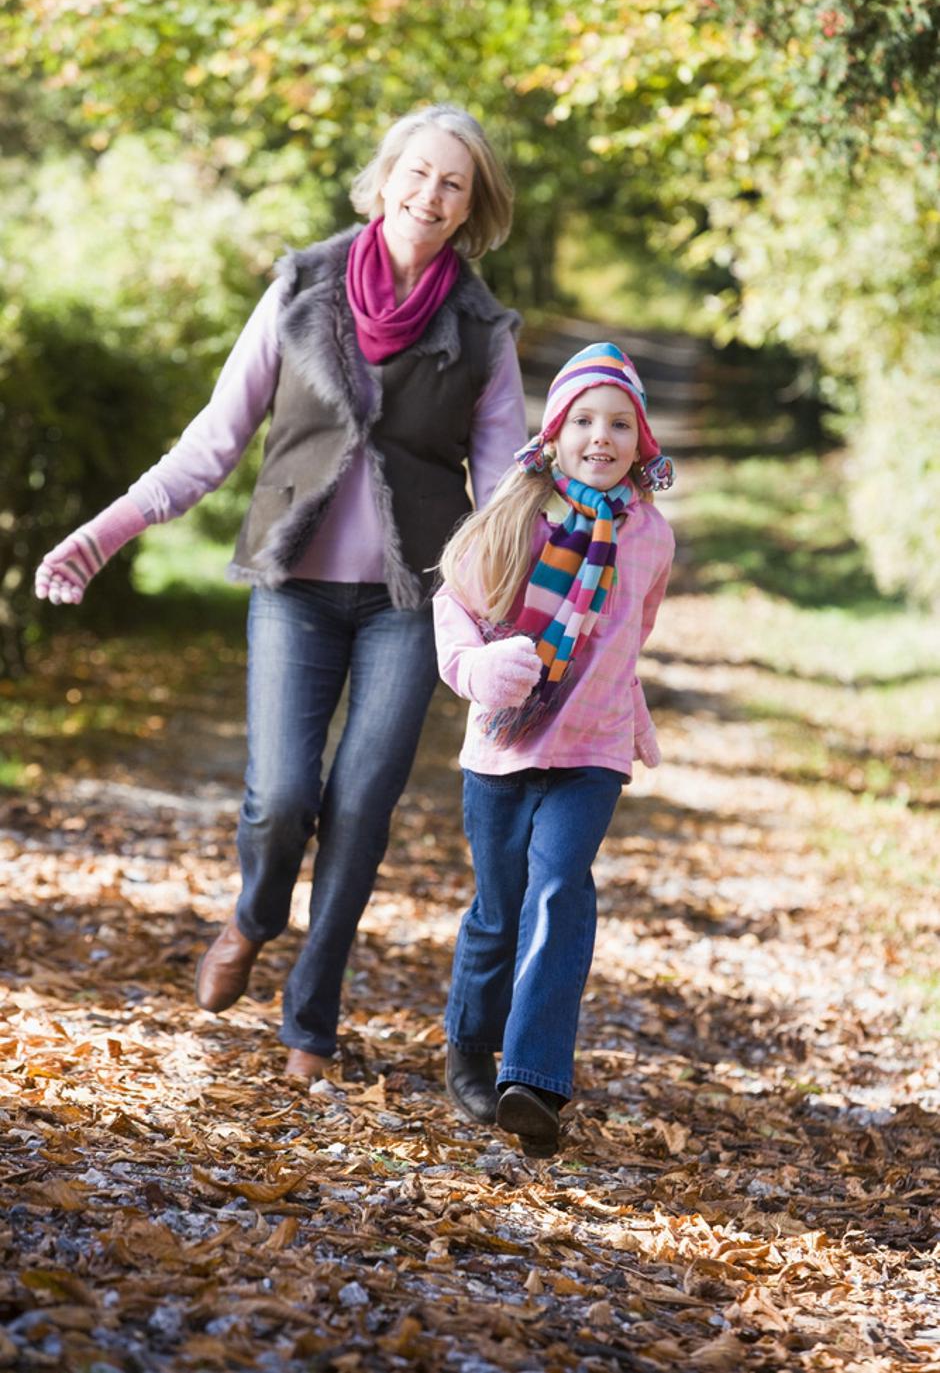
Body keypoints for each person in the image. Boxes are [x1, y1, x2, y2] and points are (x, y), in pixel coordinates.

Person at [34, 104, 526, 1081]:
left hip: (409, 600)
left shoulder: (481, 331)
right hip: (293, 586)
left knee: (360, 802)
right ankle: (254, 915)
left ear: (472, 208)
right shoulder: (302, 287)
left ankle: (311, 1018)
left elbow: (506, 488)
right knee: (282, 795)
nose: (429, 195)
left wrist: (590, 522)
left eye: (452, 184)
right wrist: (104, 532)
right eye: (417, 173)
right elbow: (214, 440)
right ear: (384, 177)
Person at [432, 342, 675, 1156]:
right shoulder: (516, 516)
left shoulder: (650, 537)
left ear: (642, 440)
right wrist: (474, 668)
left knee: (560, 891)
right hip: (502, 749)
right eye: (583, 421)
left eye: (619, 423)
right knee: (500, 908)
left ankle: (531, 1079)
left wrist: (629, 713)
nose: (600, 437)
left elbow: (629, 639)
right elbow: (453, 606)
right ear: (556, 432)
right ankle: (469, 1044)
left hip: (593, 753)